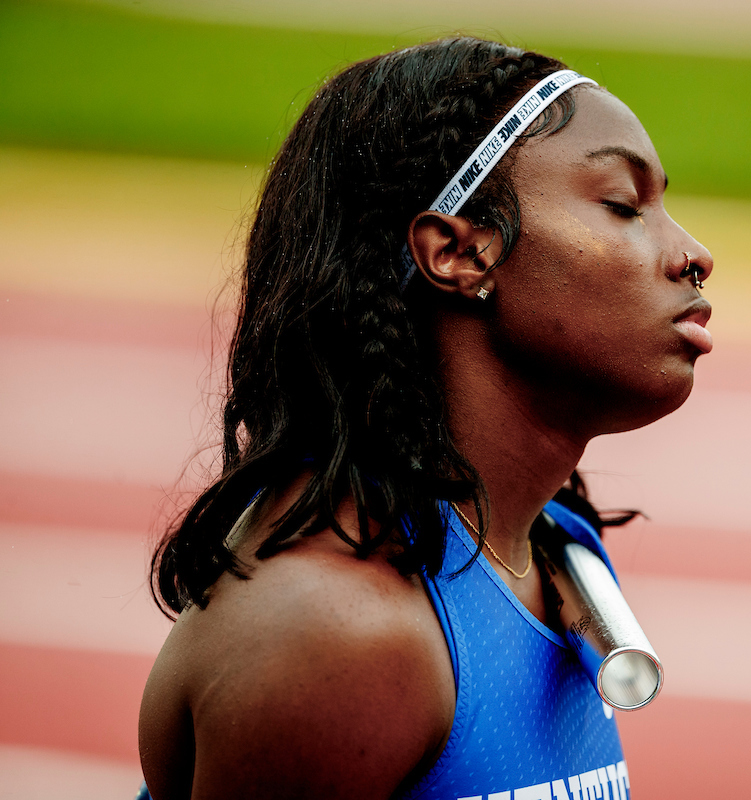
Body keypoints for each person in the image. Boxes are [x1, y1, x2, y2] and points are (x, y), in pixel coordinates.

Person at [138, 36, 713, 800]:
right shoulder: (338, 633)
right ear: (458, 252)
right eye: (622, 204)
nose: (694, 254)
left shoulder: (546, 547)